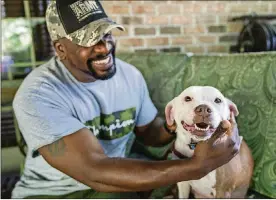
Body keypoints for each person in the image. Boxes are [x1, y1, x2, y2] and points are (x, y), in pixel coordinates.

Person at [12, 0, 241, 199]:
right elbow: (95, 171)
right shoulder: (37, 95)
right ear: (61, 49)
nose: (104, 47)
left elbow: (149, 130)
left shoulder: (129, 75)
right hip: (52, 192)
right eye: (88, 40)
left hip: (115, 185)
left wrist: (178, 124)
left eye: (106, 33)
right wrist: (195, 167)